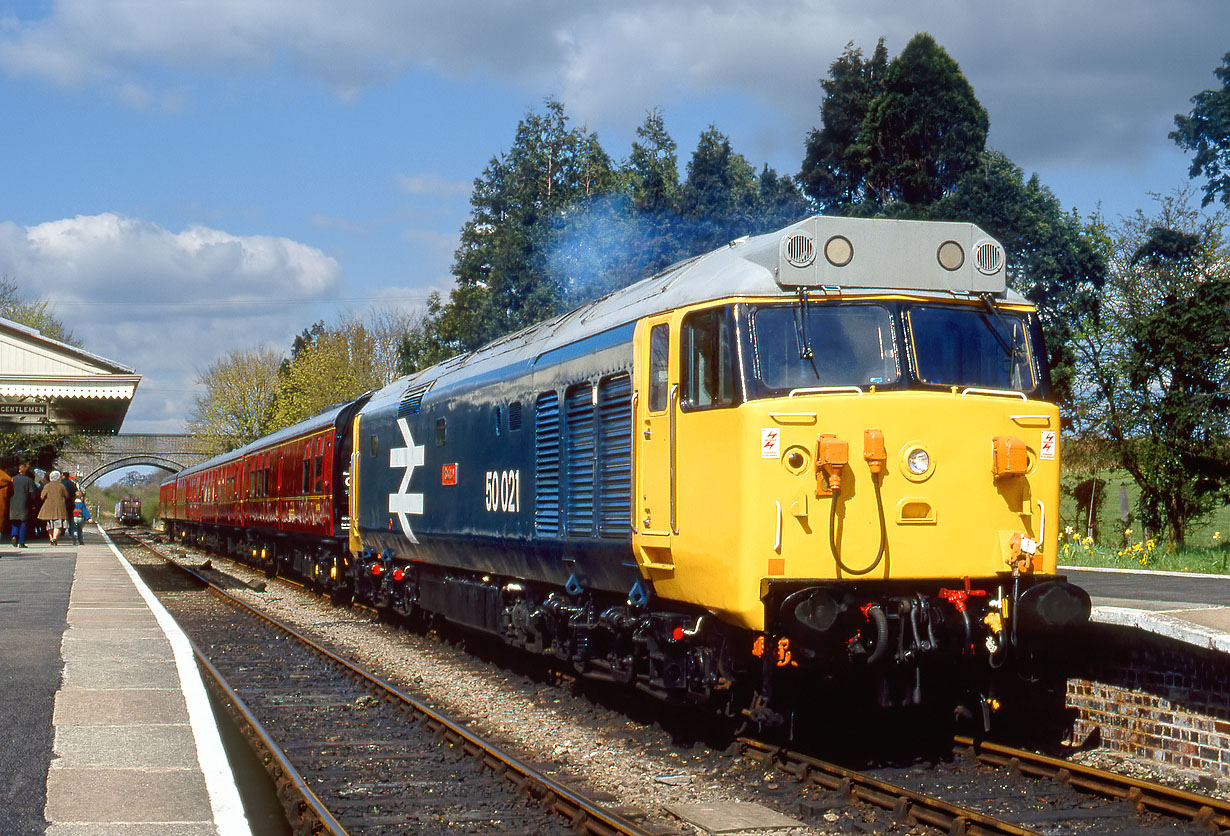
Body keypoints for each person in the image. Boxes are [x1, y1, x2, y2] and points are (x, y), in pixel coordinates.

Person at [37, 470, 69, 546]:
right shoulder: (61, 486)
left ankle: (51, 538)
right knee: (58, 524)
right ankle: (55, 538)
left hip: (48, 507)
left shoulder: (47, 486)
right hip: (59, 507)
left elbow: (42, 496)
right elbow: (66, 496)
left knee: (49, 524)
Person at [9, 463, 38, 548]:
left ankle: (14, 535)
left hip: (13, 503)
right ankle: (21, 542)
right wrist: (33, 503)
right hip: (24, 503)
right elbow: (33, 493)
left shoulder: (12, 480)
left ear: (19, 470)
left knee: (14, 521)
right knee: (23, 522)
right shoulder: (29, 480)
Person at [61, 472, 78, 545]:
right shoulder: (72, 484)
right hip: (71, 503)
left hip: (62, 503)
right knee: (70, 518)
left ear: (63, 476)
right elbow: (76, 492)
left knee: (61, 518)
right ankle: (71, 532)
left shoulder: (61, 484)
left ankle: (61, 531)